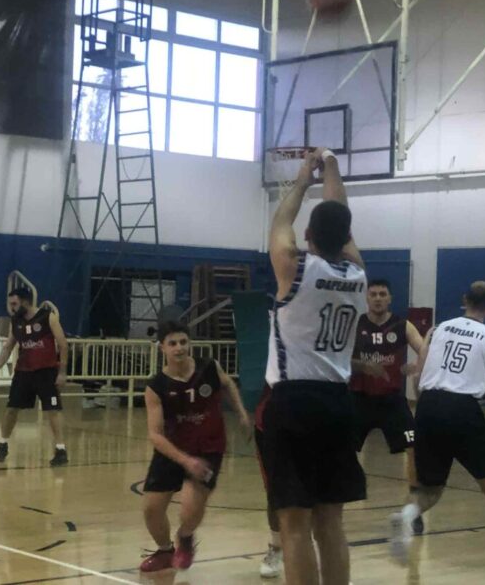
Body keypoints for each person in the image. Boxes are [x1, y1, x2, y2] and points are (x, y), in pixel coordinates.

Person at [389, 281, 485, 584]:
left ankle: (407, 516)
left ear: (465, 300)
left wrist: (426, 411)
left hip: (428, 407)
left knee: (430, 489)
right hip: (463, 409)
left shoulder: (436, 330)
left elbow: (419, 375)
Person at [262, 147, 367, 585]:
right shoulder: (358, 273)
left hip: (294, 402)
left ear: (308, 234)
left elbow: (279, 224)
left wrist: (305, 176)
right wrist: (332, 165)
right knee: (331, 522)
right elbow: (340, 216)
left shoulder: (294, 268)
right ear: (346, 237)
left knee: (294, 524)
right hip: (339, 403)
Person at [139, 321, 251, 573]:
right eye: (172, 343)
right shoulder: (156, 387)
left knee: (190, 509)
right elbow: (155, 435)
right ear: (162, 348)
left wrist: (242, 413)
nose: (179, 348)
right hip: (173, 449)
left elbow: (227, 384)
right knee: (151, 509)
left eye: (183, 342)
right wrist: (185, 460)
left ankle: (186, 536)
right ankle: (165, 551)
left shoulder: (208, 368)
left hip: (207, 448)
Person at [350, 278, 425, 531]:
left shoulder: (402, 325)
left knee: (414, 446)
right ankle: (332, 503)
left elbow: (425, 350)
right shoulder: (356, 324)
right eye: (373, 294)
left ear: (390, 298)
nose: (378, 298)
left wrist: (417, 365)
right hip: (359, 398)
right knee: (339, 448)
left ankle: (414, 509)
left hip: (391, 400)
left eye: (383, 294)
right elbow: (337, 356)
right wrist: (362, 366)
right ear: (367, 298)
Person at [0, 287, 68, 466]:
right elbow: (8, 347)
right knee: (11, 409)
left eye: (14, 304)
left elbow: (63, 345)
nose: (12, 308)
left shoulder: (48, 317)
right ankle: (3, 445)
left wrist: (62, 372)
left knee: (53, 410)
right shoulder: (15, 321)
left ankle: (61, 449)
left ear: (25, 302)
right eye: (10, 304)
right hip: (23, 372)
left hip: (46, 372)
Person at [254, 384, 283, 578]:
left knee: (324, 497)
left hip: (319, 416)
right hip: (271, 424)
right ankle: (276, 546)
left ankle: (330, 566)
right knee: (275, 494)